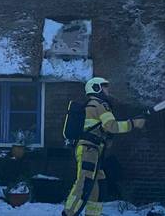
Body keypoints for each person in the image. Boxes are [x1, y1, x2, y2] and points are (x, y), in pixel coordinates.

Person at [62, 77, 146, 216]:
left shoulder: (93, 105)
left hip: (93, 150)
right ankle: (68, 213)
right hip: (89, 150)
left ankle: (93, 214)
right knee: (84, 183)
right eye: (105, 86)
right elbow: (112, 126)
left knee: (99, 186)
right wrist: (133, 123)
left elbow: (104, 130)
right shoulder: (99, 104)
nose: (108, 90)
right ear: (96, 88)